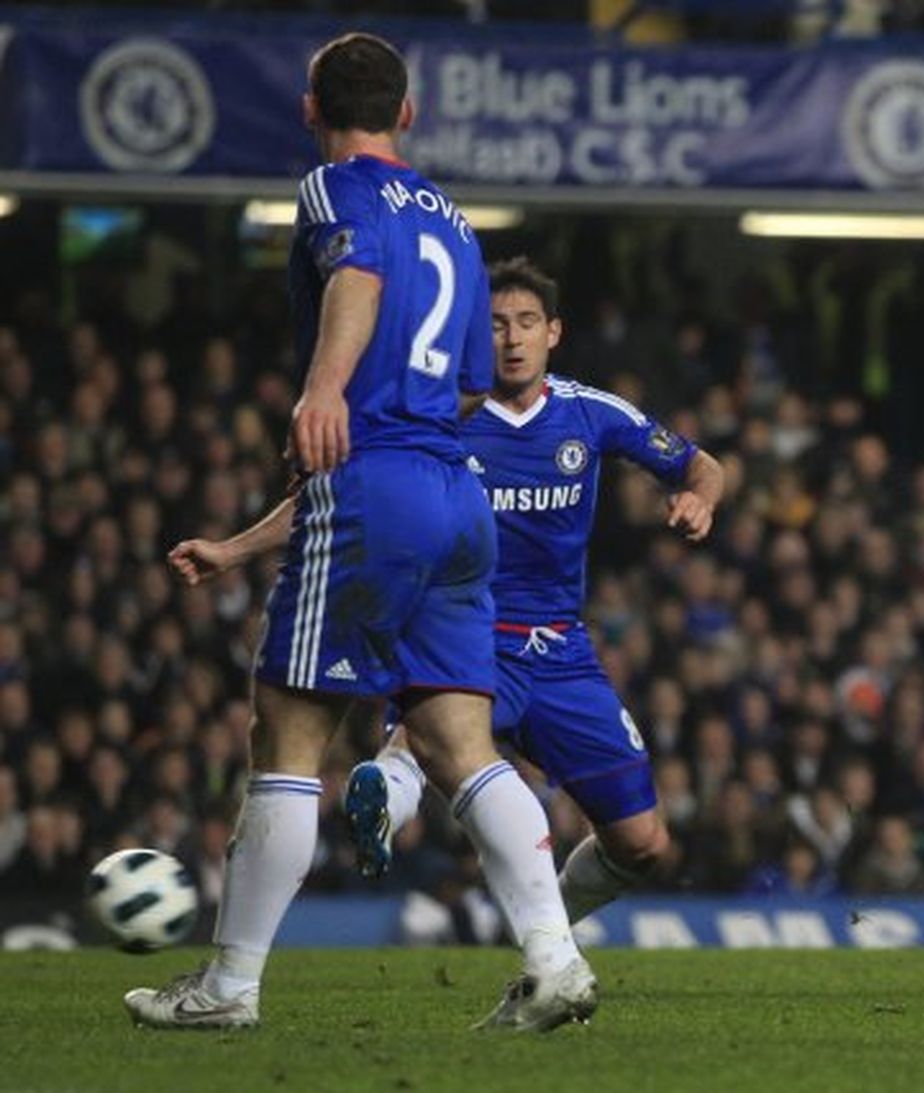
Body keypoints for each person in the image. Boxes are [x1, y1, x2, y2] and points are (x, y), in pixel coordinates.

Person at [128, 33, 592, 1032]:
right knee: (459, 739)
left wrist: (324, 387)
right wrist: (246, 542)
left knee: (286, 731)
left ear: (311, 109)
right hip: (456, 493)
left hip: (372, 479)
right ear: (409, 113)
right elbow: (470, 380)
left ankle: (230, 986)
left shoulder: (337, 189)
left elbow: (358, 276)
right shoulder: (460, 223)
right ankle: (555, 959)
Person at [343, 258, 724, 923]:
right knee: (420, 744)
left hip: (559, 651)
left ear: (554, 332)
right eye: (494, 325)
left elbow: (701, 464)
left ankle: (541, 936)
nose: (511, 339)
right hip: (463, 635)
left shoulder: (589, 412)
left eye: (525, 323)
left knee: (643, 843)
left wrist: (700, 501)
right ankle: (383, 794)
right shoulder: (440, 419)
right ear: (472, 336)